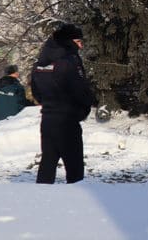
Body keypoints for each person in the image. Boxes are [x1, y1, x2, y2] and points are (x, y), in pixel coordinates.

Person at [31, 23, 97, 184]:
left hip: (47, 119)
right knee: (74, 168)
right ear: (70, 41)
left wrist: (48, 105)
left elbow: (36, 91)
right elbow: (79, 88)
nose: (81, 46)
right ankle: (74, 202)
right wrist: (86, 106)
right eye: (79, 42)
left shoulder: (41, 62)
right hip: (67, 120)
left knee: (47, 163)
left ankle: (40, 200)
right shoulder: (70, 61)